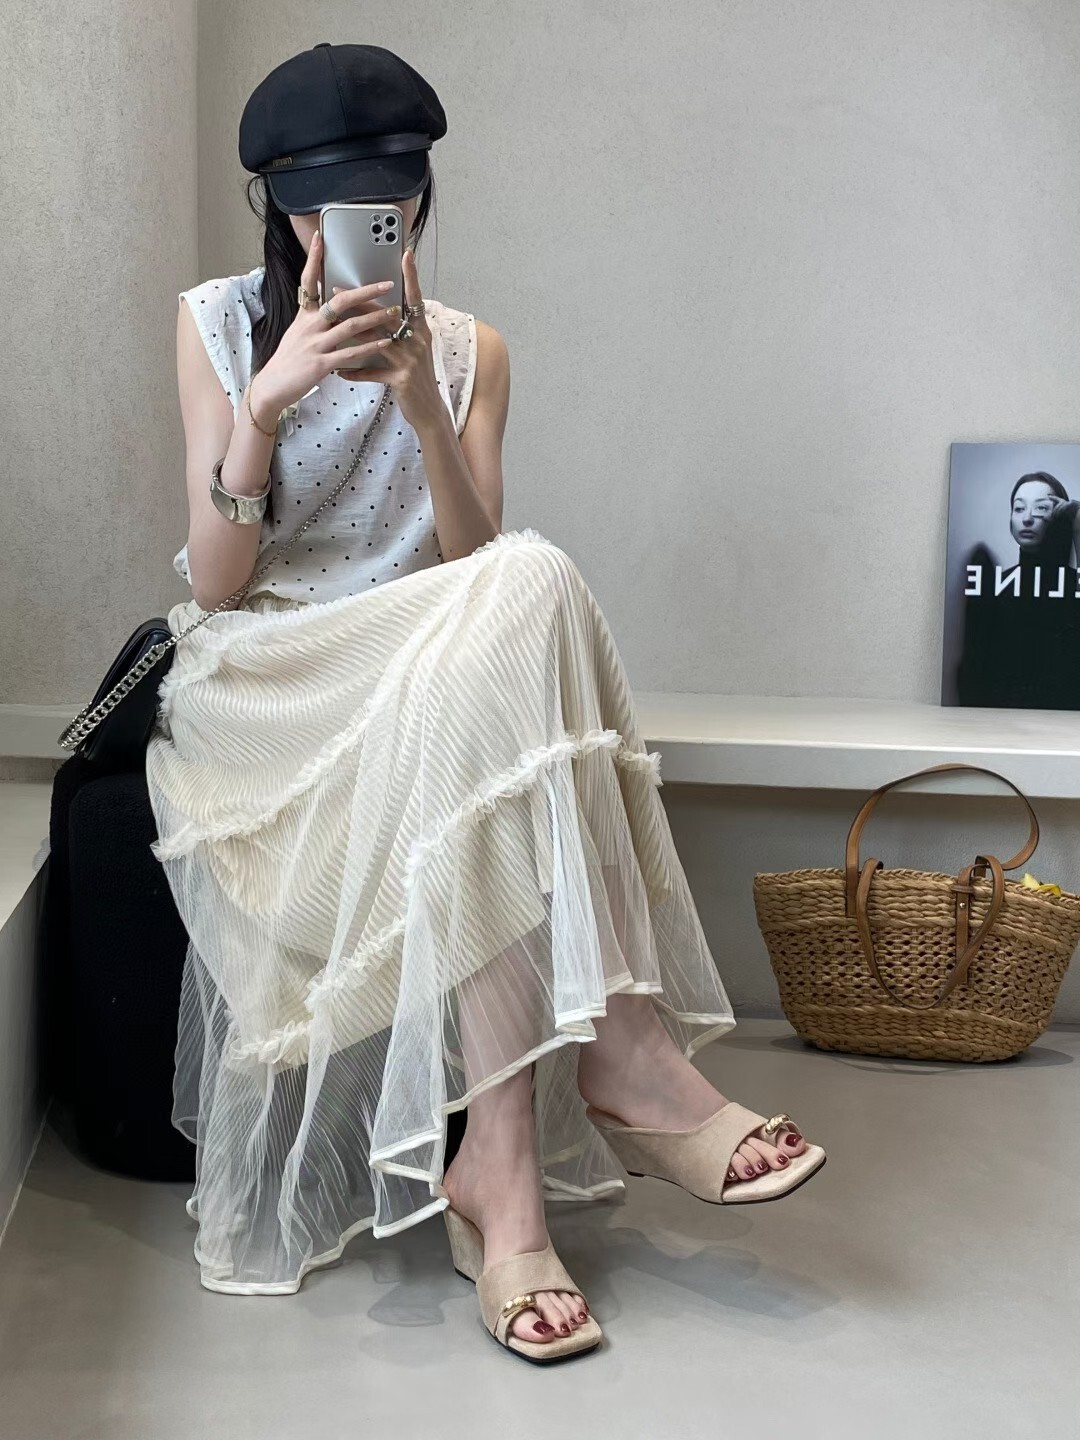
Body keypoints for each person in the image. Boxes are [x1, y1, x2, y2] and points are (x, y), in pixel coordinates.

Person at [145, 42, 826, 1362]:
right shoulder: (217, 323)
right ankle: (620, 1062)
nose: (350, 233)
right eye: (321, 210)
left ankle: (501, 1179)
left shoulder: (471, 352)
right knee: (530, 595)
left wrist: (421, 405)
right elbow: (220, 585)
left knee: (525, 585)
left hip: (441, 673)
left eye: (383, 205)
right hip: (278, 678)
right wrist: (269, 403)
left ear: (415, 200)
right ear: (279, 207)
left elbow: (471, 563)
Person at [955, 471, 1080, 709]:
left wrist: (1077, 525)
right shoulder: (994, 585)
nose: (1028, 518)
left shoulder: (1074, 585)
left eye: (1041, 509)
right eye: (1019, 508)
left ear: (1061, 516)